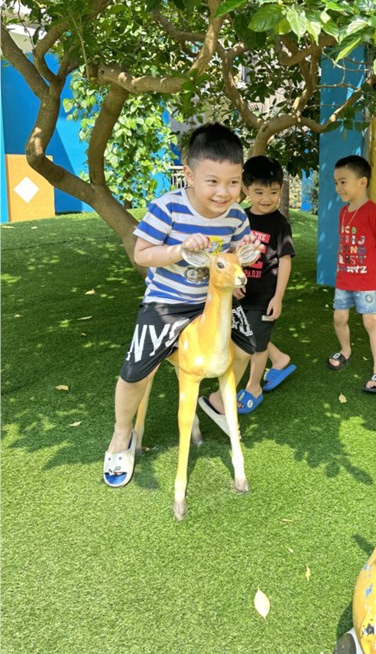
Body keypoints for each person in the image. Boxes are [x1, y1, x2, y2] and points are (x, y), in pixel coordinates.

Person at [103, 123, 257, 488]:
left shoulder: (237, 216)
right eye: (213, 181)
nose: (224, 192)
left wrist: (238, 265)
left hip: (212, 304)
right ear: (189, 175)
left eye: (233, 182)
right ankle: (121, 434)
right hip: (168, 303)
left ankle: (214, 402)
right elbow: (142, 254)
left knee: (246, 350)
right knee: (136, 372)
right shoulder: (167, 207)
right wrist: (180, 250)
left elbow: (235, 252)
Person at [205, 155, 296, 419]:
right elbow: (233, 255)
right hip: (241, 293)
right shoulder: (240, 219)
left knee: (255, 345)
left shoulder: (280, 224)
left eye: (273, 192)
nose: (266, 198)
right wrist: (233, 285)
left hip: (265, 297)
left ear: (280, 189)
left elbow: (285, 261)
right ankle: (279, 360)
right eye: (259, 192)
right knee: (249, 336)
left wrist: (278, 297)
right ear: (246, 189)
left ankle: (254, 387)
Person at [327, 154, 376, 393]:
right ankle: (345, 351)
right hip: (345, 278)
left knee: (370, 322)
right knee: (339, 318)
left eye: (343, 182)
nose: (338, 187)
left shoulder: (375, 212)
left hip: (367, 279)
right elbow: (344, 243)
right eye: (336, 182)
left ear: (362, 182)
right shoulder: (343, 212)